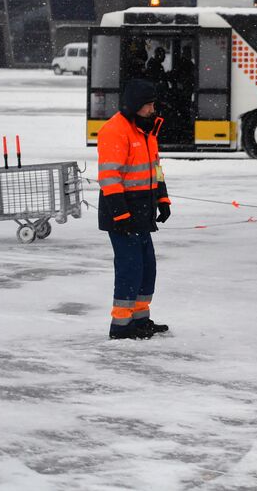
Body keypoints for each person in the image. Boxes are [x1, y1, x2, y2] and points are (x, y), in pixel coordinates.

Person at [97, 78, 172, 340]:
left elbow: (156, 170)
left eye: (153, 104)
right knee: (130, 268)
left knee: (146, 267)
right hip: (123, 215)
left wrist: (163, 199)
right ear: (134, 106)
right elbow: (109, 178)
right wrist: (121, 214)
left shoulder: (146, 130)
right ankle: (121, 326)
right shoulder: (115, 131)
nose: (153, 109)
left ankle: (140, 320)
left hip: (143, 212)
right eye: (148, 105)